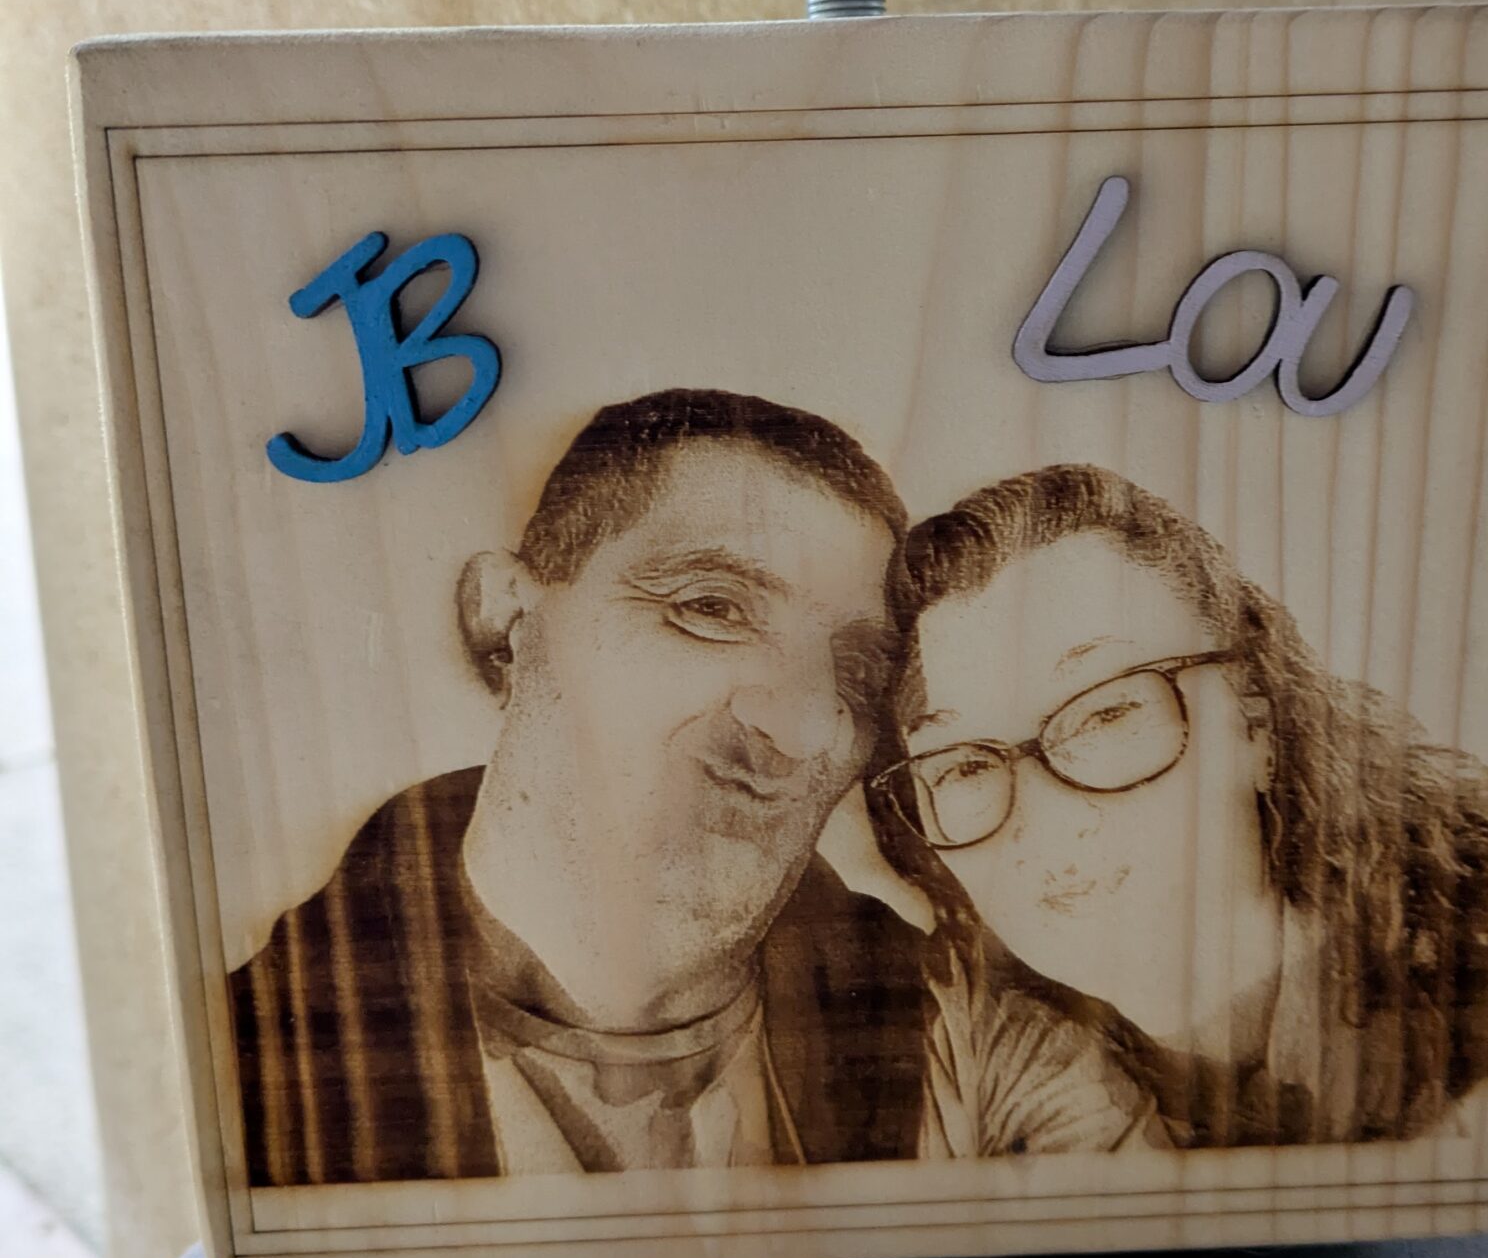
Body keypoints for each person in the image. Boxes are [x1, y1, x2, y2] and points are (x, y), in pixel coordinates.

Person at [232, 392, 1163, 1185]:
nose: (803, 724)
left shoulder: (962, 1040)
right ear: (505, 621)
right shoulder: (262, 1055)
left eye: (855, 668)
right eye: (710, 609)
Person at [867, 464, 1488, 1150]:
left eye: (1107, 714)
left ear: (1256, 724)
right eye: (965, 765)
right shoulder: (973, 1072)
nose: (1042, 821)